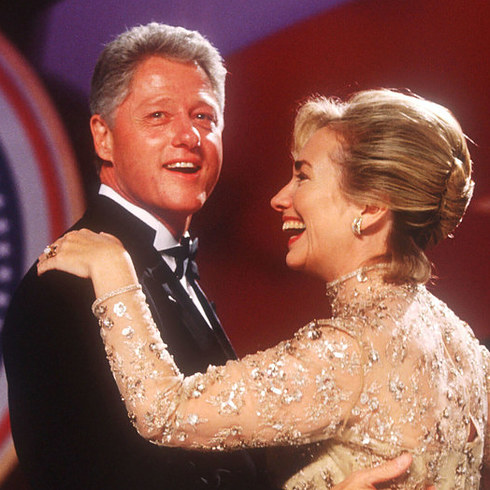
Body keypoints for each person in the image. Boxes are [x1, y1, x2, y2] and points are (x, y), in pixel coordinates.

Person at [1, 21, 404, 489]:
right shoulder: (64, 289)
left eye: (204, 118)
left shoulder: (173, 269)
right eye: (157, 116)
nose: (188, 137)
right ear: (102, 137)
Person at [38, 88, 489, 489]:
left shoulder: (348, 352)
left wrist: (114, 269)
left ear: (370, 207)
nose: (281, 197)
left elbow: (164, 411)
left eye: (304, 176)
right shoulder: (465, 347)